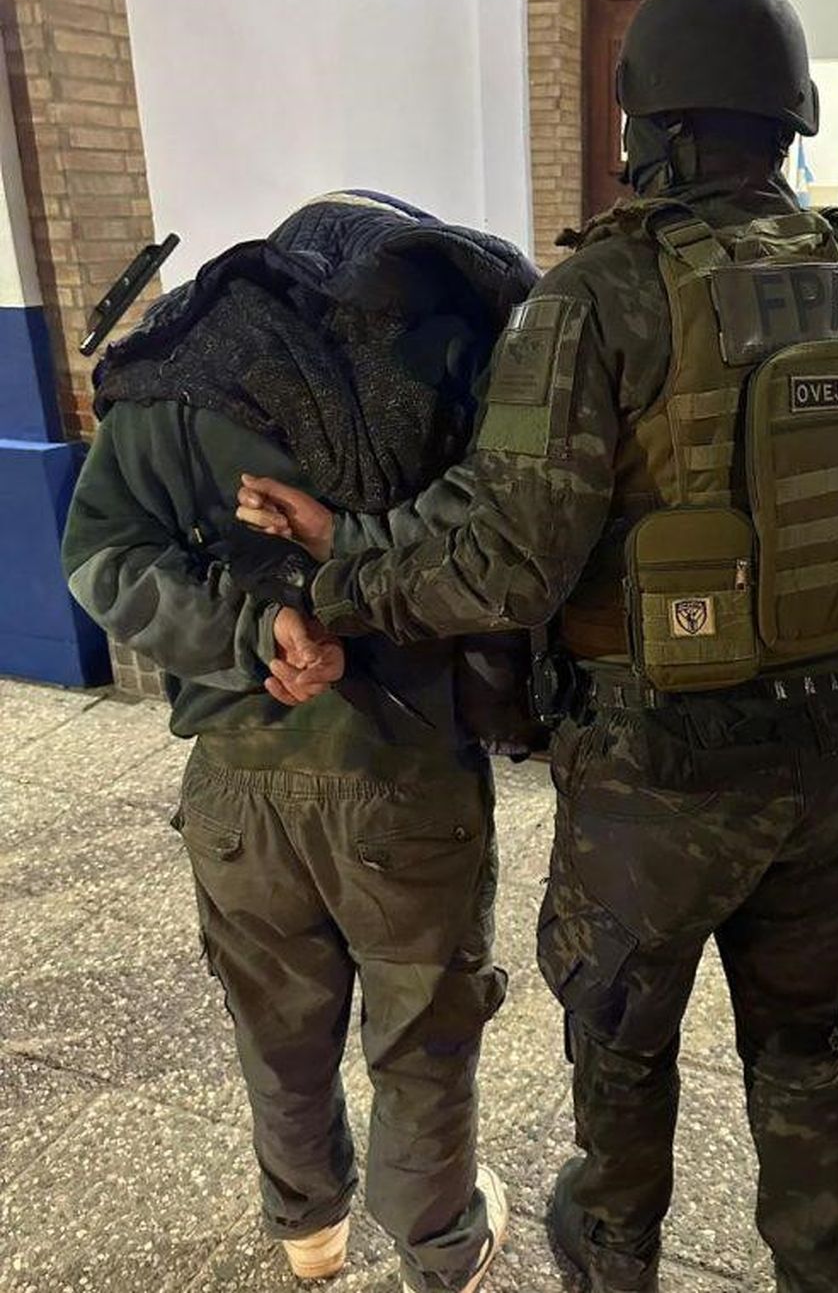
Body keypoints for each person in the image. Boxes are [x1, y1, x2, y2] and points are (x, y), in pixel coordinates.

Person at [234, 0, 838, 1293]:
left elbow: (503, 555)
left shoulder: (605, 290)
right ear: (785, 115)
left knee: (622, 1056)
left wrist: (342, 560)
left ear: (650, 121)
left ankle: (614, 1265)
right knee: (807, 1050)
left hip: (663, 774)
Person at [62, 192, 539, 1293]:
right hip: (403, 772)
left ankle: (308, 1229)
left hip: (239, 774)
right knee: (420, 1029)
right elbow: (498, 549)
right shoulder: (454, 365)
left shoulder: (181, 371)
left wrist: (249, 630)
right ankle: (440, 1243)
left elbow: (101, 554)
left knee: (278, 1023)